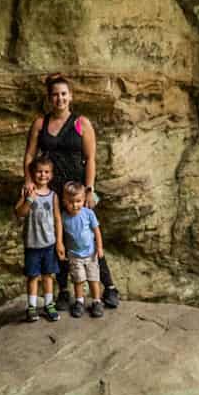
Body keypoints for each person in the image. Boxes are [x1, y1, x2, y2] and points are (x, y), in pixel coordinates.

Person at [22, 75, 121, 308]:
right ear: (49, 98)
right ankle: (64, 291)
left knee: (87, 235)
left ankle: (109, 287)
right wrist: (29, 182)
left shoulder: (81, 123)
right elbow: (29, 156)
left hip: (77, 189)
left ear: (71, 96)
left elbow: (90, 158)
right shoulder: (40, 124)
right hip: (53, 191)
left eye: (64, 94)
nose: (60, 98)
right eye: (55, 94)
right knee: (59, 238)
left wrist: (89, 190)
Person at [13, 157, 64, 323]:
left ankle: (49, 304)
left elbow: (57, 219)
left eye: (47, 172)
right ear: (33, 173)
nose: (43, 175)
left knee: (48, 275)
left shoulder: (53, 195)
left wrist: (59, 242)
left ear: (51, 175)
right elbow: (19, 212)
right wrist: (29, 199)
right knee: (33, 276)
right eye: (39, 171)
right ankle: (32, 307)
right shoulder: (27, 191)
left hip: (49, 243)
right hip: (32, 244)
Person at [58, 181, 104, 318]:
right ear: (64, 201)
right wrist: (60, 246)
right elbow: (61, 233)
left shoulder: (88, 213)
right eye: (71, 202)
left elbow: (97, 231)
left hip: (91, 253)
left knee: (93, 278)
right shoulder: (63, 216)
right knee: (78, 280)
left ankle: (96, 301)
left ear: (84, 200)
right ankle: (79, 301)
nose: (75, 205)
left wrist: (100, 248)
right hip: (74, 255)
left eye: (78, 201)